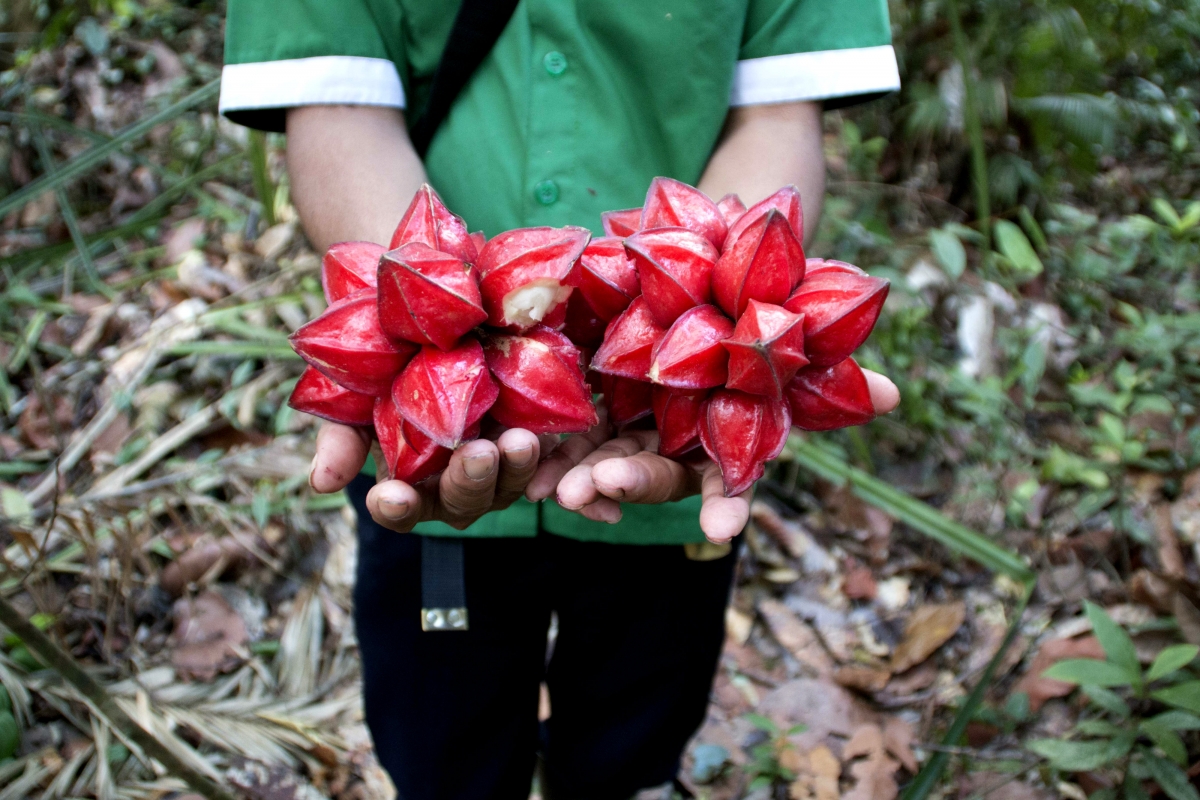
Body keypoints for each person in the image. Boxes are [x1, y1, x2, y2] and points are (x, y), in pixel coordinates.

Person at [220, 2, 901, 797]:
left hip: (668, 447)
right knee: (441, 758)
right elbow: (337, 107)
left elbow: (779, 113)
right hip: (442, 454)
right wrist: (428, 307)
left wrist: (706, 319)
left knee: (629, 755)